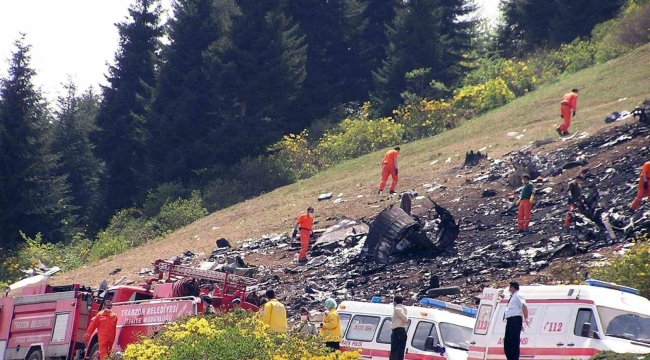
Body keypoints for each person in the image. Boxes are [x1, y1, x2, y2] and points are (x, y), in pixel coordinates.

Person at [504, 282, 530, 360]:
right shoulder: (513, 296)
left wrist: (526, 318)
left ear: (513, 287)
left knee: (514, 342)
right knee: (507, 342)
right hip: (510, 320)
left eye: (510, 287)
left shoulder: (518, 295)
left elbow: (524, 305)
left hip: (515, 320)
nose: (509, 289)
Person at [390, 295, 408, 360]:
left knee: (394, 352)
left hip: (397, 331)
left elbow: (405, 318)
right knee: (400, 352)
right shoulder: (404, 308)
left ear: (395, 302)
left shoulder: (397, 309)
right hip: (402, 331)